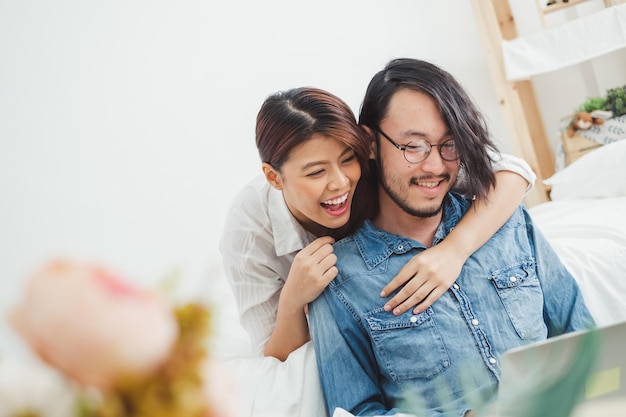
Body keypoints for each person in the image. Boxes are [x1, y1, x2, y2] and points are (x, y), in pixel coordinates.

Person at [218, 87, 535, 417]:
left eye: (346, 160)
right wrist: (293, 301)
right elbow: (275, 358)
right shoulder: (249, 228)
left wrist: (453, 251)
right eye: (316, 172)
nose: (340, 182)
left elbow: (511, 172)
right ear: (273, 177)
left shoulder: (377, 166)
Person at [307, 58, 594, 417]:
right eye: (414, 146)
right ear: (369, 143)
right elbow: (355, 411)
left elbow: (585, 339)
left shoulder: (507, 223)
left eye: (449, 145)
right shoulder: (341, 280)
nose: (436, 166)